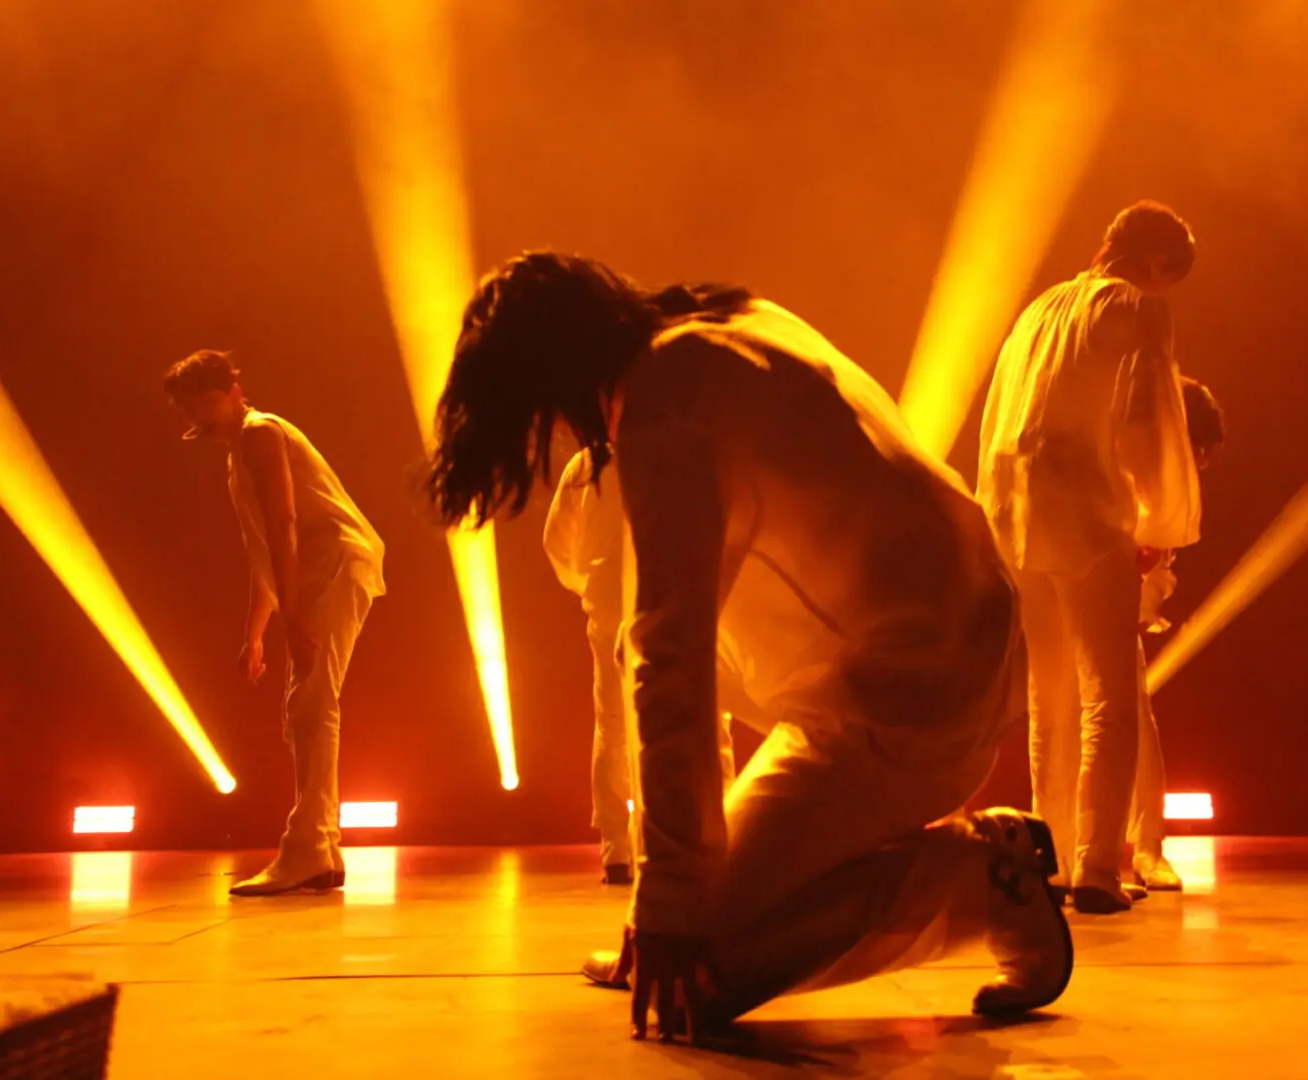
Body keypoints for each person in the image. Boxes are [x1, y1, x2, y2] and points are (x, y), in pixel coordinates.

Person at [429, 253, 1072, 1041]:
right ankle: (954, 867)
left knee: (695, 982)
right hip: (955, 650)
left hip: (904, 698)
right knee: (702, 912)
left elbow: (670, 654)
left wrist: (673, 905)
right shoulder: (731, 322)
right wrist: (673, 898)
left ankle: (977, 878)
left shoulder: (665, 404)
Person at [977, 201, 1203, 914]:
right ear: (1158, 263)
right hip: (1088, 513)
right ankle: (1098, 867)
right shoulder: (1135, 308)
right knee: (1109, 692)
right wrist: (1155, 516)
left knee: (1049, 698)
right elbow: (1145, 418)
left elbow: (1001, 421)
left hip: (1016, 518)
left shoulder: (1039, 311)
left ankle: (1050, 857)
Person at [165, 350, 385, 896]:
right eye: (186, 406)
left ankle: (308, 849)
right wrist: (256, 630)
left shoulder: (261, 433)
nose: (193, 414)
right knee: (307, 705)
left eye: (200, 401)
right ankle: (322, 851)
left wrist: (290, 617)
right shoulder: (242, 450)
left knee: (313, 701)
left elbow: (286, 524)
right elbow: (264, 551)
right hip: (316, 572)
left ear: (231, 392)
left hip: (333, 563)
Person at [543, 445, 745, 885]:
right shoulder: (687, 447)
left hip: (612, 600)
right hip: (677, 592)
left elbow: (558, 543)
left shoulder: (586, 464)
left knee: (613, 720)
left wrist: (592, 583)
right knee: (705, 706)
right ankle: (720, 830)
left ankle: (618, 847)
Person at [1129, 375, 1225, 891]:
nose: (1202, 462)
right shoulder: (1132, 459)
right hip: (1087, 590)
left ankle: (1145, 848)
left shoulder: (1169, 478)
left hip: (1119, 601)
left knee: (1135, 726)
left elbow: (1158, 557)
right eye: (1201, 448)